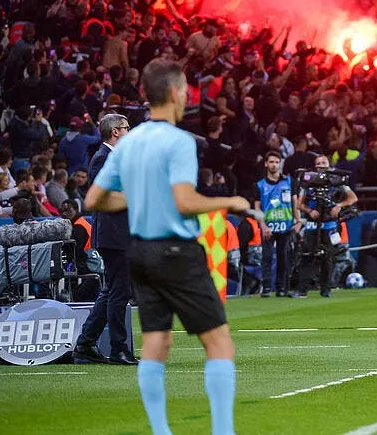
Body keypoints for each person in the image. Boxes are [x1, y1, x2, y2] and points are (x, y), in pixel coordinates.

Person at [85, 59, 250, 435]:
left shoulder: (131, 142)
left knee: (155, 344)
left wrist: (139, 199)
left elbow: (94, 198)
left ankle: (161, 430)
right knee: (220, 344)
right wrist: (230, 202)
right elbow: (185, 202)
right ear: (176, 93)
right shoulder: (179, 141)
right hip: (176, 251)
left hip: (139, 251)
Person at [75, 113, 135, 365]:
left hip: (119, 233)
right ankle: (119, 348)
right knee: (120, 292)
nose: (130, 132)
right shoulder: (102, 159)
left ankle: (86, 344)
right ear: (116, 132)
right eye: (127, 128)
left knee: (111, 291)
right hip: (114, 234)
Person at [296, 153, 354, 298]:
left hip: (329, 225)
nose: (321, 165)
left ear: (329, 164)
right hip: (311, 225)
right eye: (319, 163)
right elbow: (299, 204)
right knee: (307, 256)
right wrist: (310, 210)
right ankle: (302, 290)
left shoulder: (338, 181)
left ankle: (326, 289)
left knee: (327, 258)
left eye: (324, 162)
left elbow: (353, 198)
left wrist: (339, 206)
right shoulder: (307, 181)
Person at [254, 149, 300, 297]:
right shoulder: (260, 185)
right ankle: (266, 288)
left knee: (283, 257)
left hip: (286, 225)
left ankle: (282, 288)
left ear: (280, 164)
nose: (274, 165)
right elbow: (257, 207)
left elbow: (295, 202)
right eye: (271, 162)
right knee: (266, 257)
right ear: (266, 164)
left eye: (276, 162)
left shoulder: (289, 181)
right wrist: (263, 226)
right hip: (269, 226)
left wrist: (298, 221)